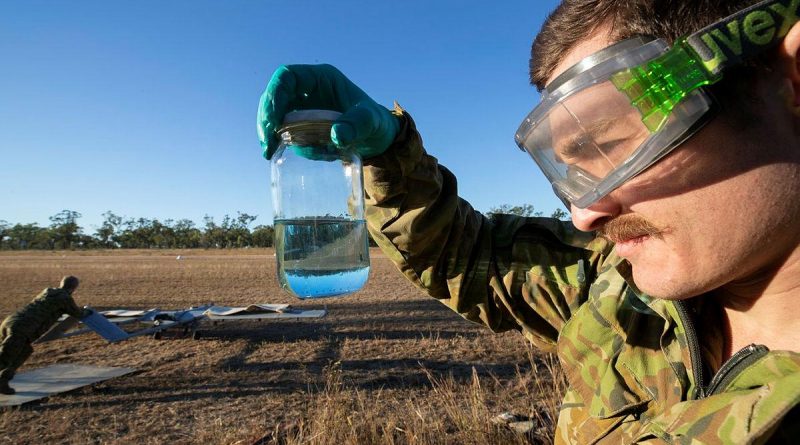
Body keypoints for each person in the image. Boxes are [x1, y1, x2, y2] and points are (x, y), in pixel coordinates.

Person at [257, 0, 800, 442]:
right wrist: (388, 153)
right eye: (574, 170)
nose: (586, 214)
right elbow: (466, 259)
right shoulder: (617, 289)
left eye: (612, 147)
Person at [0, 276, 90, 395]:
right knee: (5, 358)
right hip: (22, 328)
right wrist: (87, 311)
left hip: (10, 322)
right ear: (74, 288)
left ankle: (3, 381)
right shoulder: (64, 298)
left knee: (24, 351)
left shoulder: (47, 291)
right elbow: (78, 313)